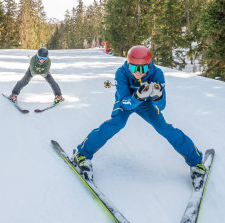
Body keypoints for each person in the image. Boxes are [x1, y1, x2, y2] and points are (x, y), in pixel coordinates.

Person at [72, 45, 204, 181]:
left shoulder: (157, 74)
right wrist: (137, 97)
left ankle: (196, 161)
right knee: (116, 124)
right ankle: (82, 153)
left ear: (149, 65)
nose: (138, 73)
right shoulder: (121, 73)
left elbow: (162, 106)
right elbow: (124, 102)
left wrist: (157, 97)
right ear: (128, 64)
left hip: (146, 104)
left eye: (143, 68)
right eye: (134, 68)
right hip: (127, 101)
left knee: (163, 128)